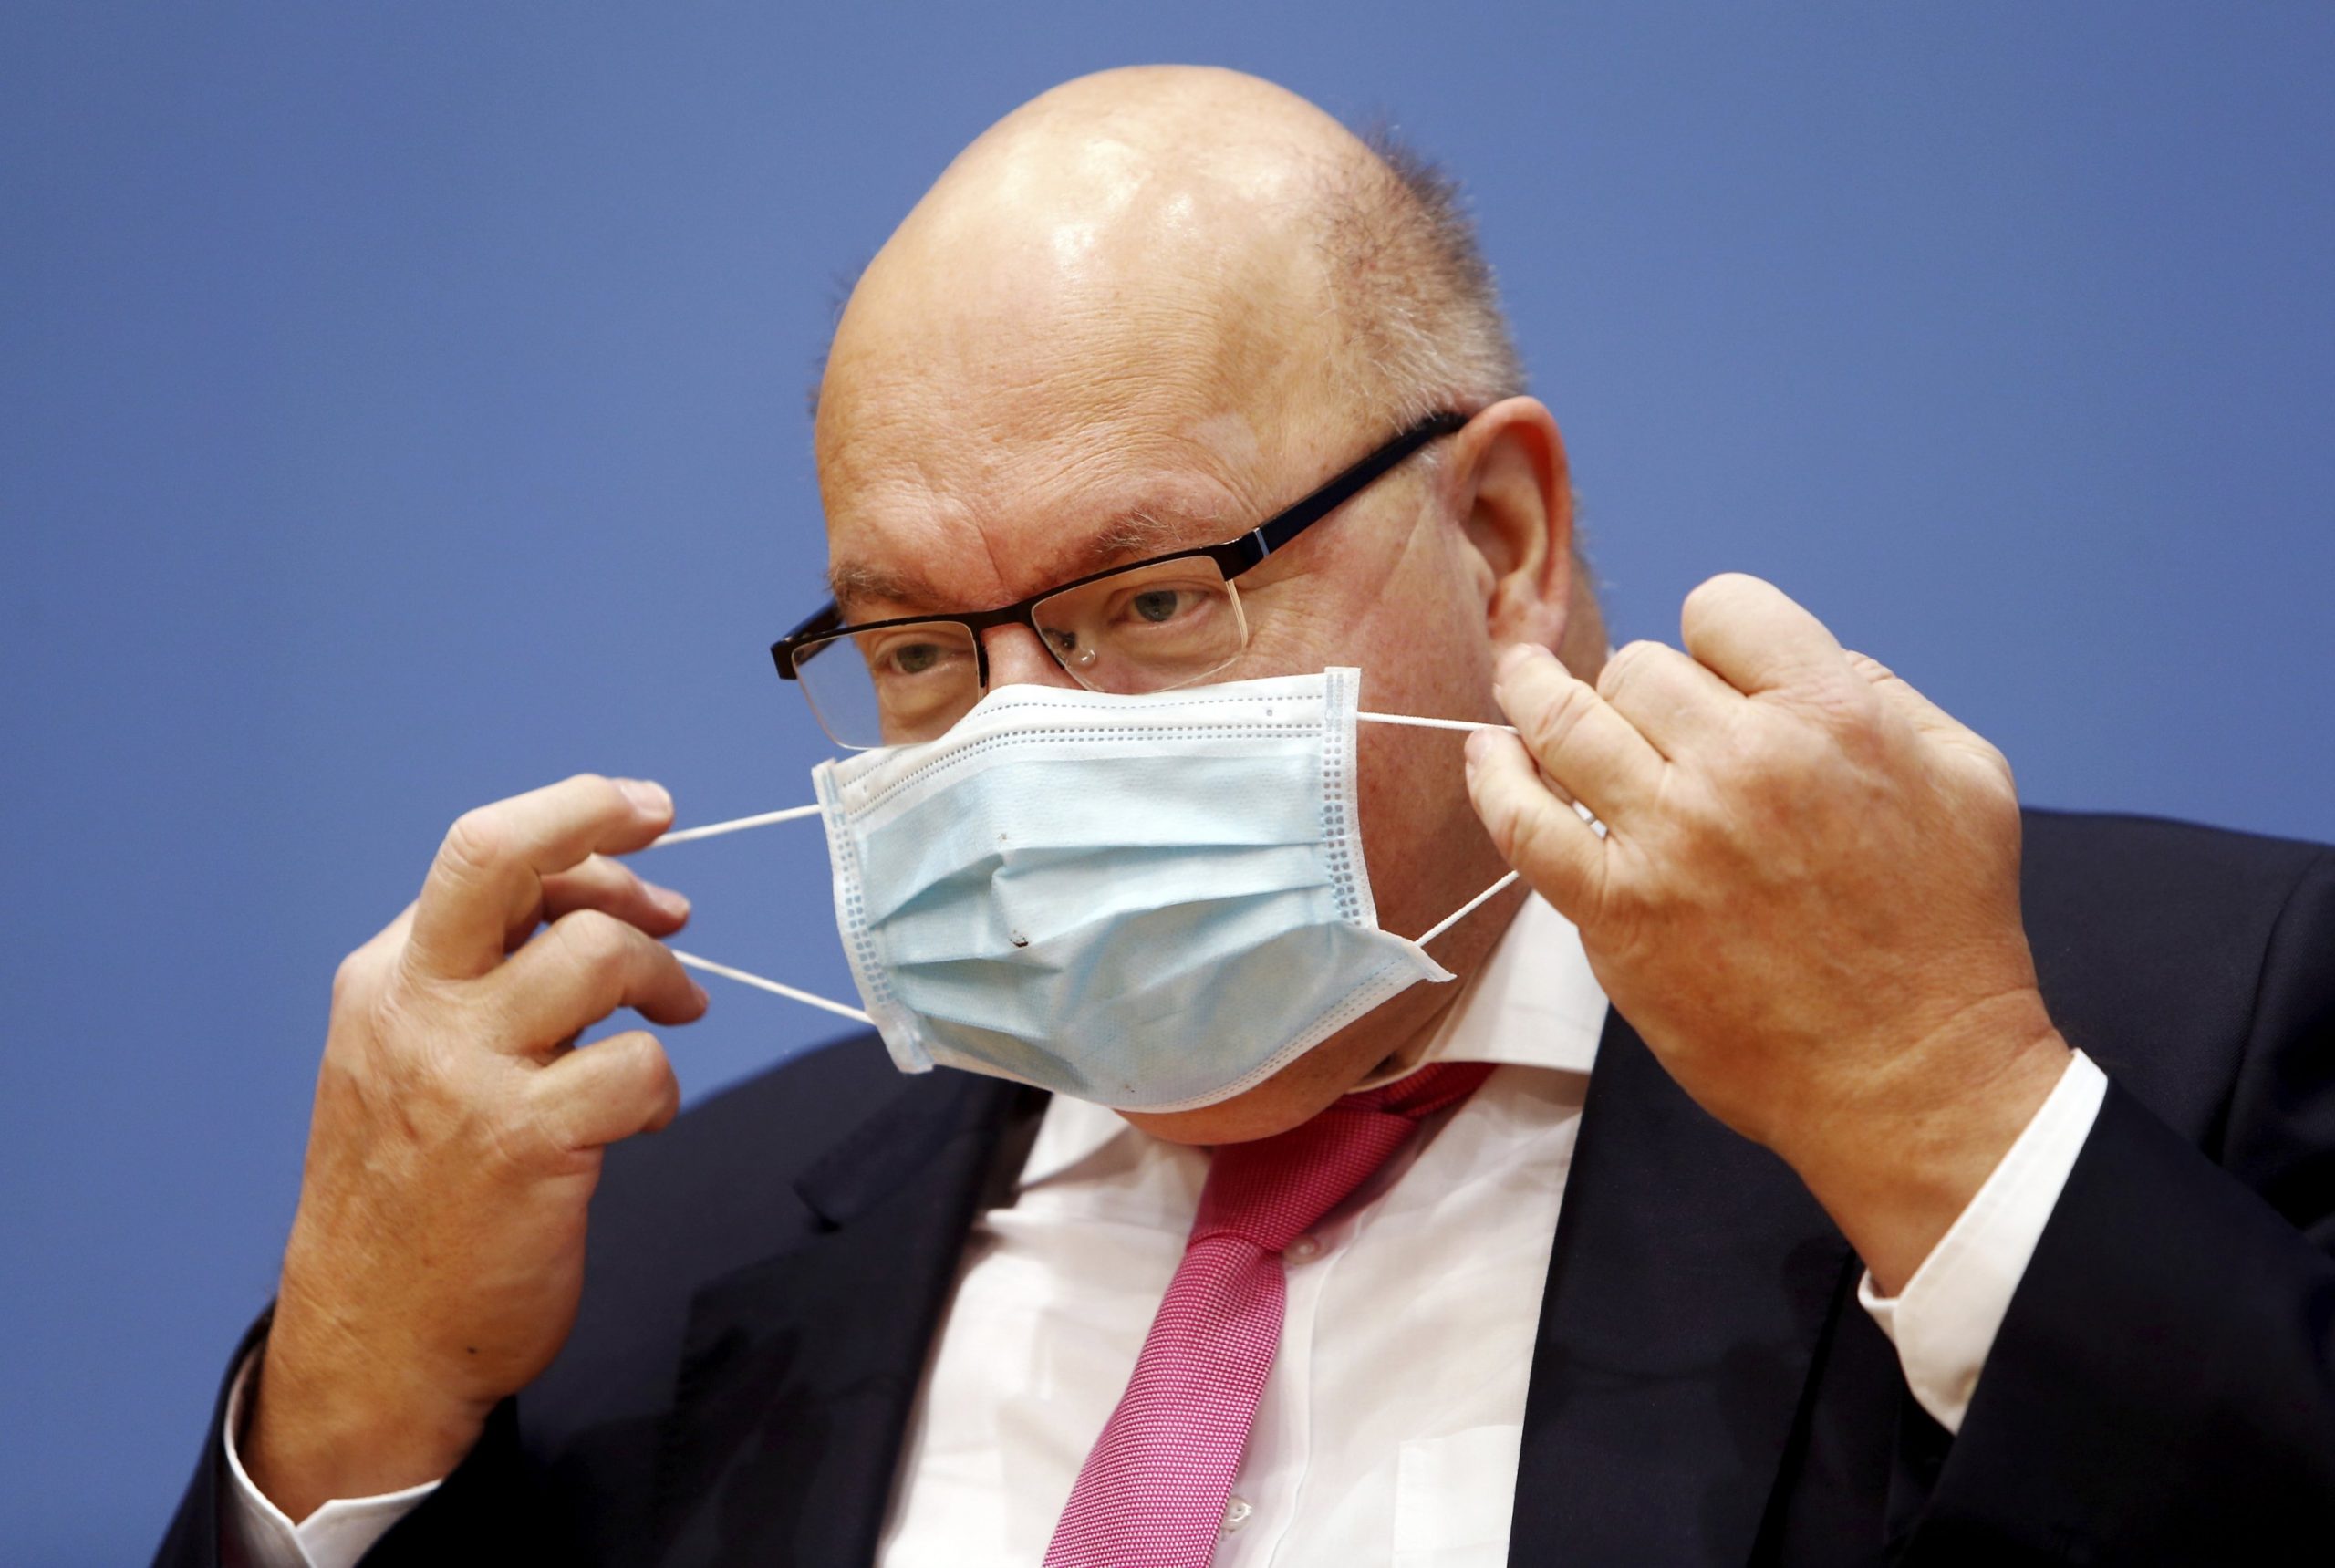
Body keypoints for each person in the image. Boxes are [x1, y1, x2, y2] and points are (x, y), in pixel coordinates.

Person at [157, 66, 2335, 1568]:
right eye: (914, 647)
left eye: (1147, 600)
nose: (1015, 750)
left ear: (1499, 538)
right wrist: (341, 1409)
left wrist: (1948, 1120)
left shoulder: (2176, 1029)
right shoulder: (645, 1270)